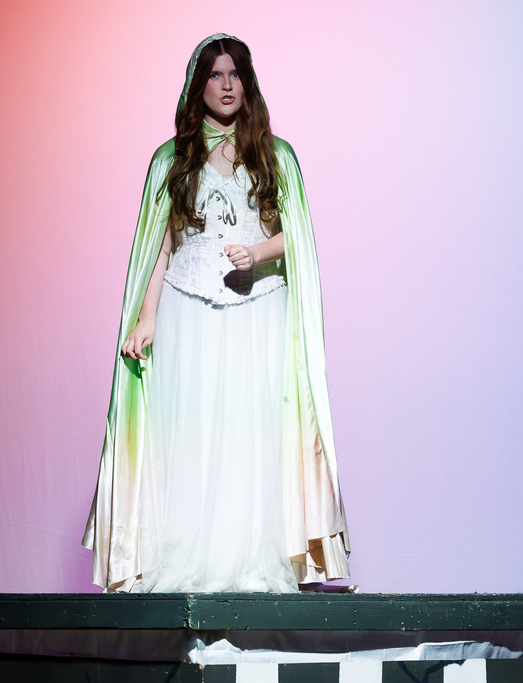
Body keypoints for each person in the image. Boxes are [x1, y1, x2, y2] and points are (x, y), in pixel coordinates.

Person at [82, 33, 349, 593]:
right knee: (193, 434)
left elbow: (296, 238)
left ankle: (256, 563)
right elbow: (163, 243)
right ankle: (186, 564)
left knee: (253, 434)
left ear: (247, 84)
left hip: (258, 311)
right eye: (215, 74)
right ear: (198, 84)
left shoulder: (275, 156)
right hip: (190, 311)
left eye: (235, 75)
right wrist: (147, 315)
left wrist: (256, 252)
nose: (226, 85)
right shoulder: (172, 160)